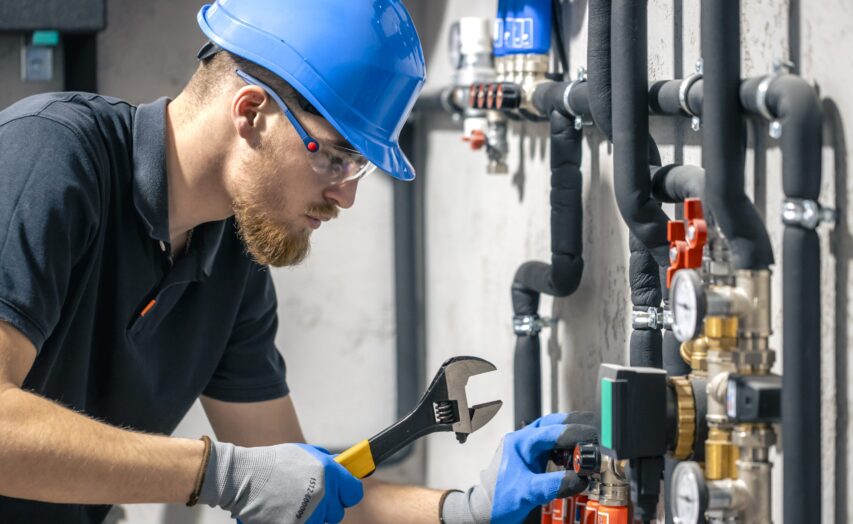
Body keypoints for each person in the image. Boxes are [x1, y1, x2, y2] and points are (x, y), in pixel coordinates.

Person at [0, 1, 597, 522]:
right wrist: (218, 474)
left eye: (358, 165)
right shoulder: (50, 156)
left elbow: (304, 497)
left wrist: (465, 509)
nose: (347, 195)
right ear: (251, 112)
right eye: (337, 156)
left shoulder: (231, 263)